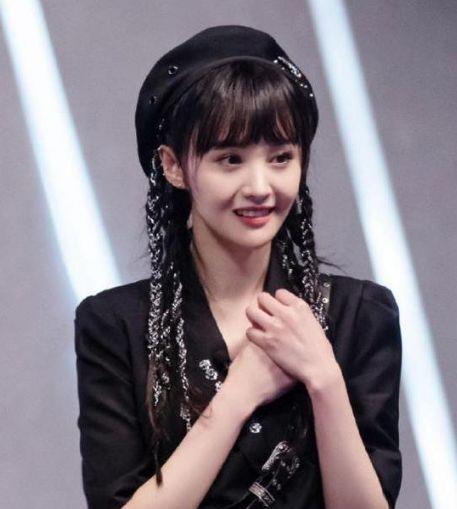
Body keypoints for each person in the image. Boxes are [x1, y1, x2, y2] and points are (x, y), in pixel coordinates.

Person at [74, 25, 402, 509]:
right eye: (231, 159)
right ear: (173, 166)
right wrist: (237, 396)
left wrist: (325, 380)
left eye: (281, 158)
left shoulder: (359, 313)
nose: (260, 187)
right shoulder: (115, 325)